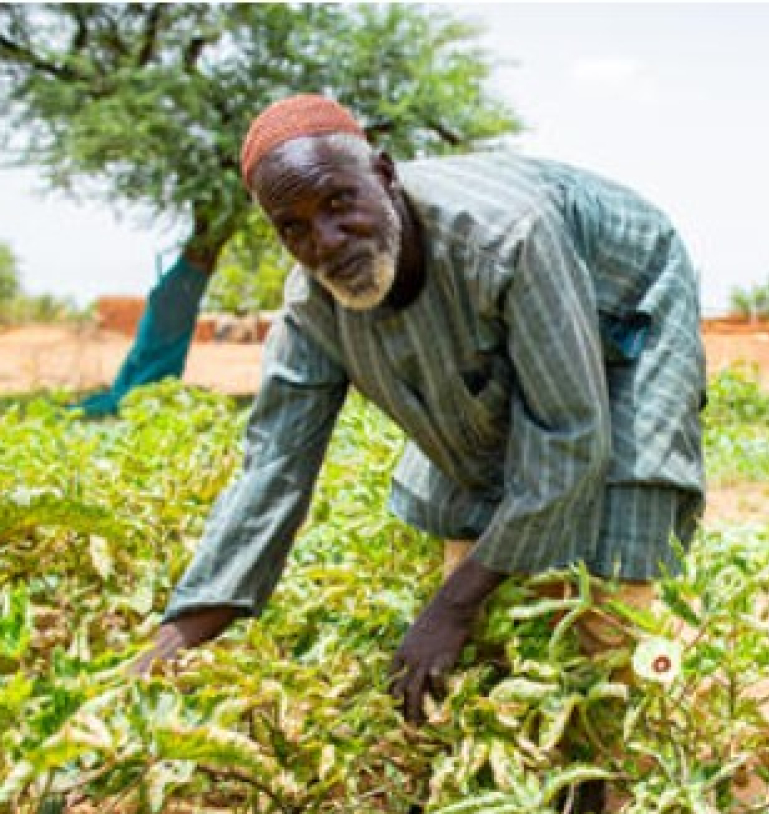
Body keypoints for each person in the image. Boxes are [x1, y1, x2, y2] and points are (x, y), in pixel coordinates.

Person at [134, 94, 706, 724]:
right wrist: (184, 628)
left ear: (383, 176)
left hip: (623, 302)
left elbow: (569, 431)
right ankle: (506, 728)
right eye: (292, 227)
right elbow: (274, 464)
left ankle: (609, 760)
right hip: (511, 309)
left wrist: (448, 609)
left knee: (611, 544)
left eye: (337, 203)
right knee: (472, 494)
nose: (325, 241)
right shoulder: (312, 306)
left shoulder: (505, 237)